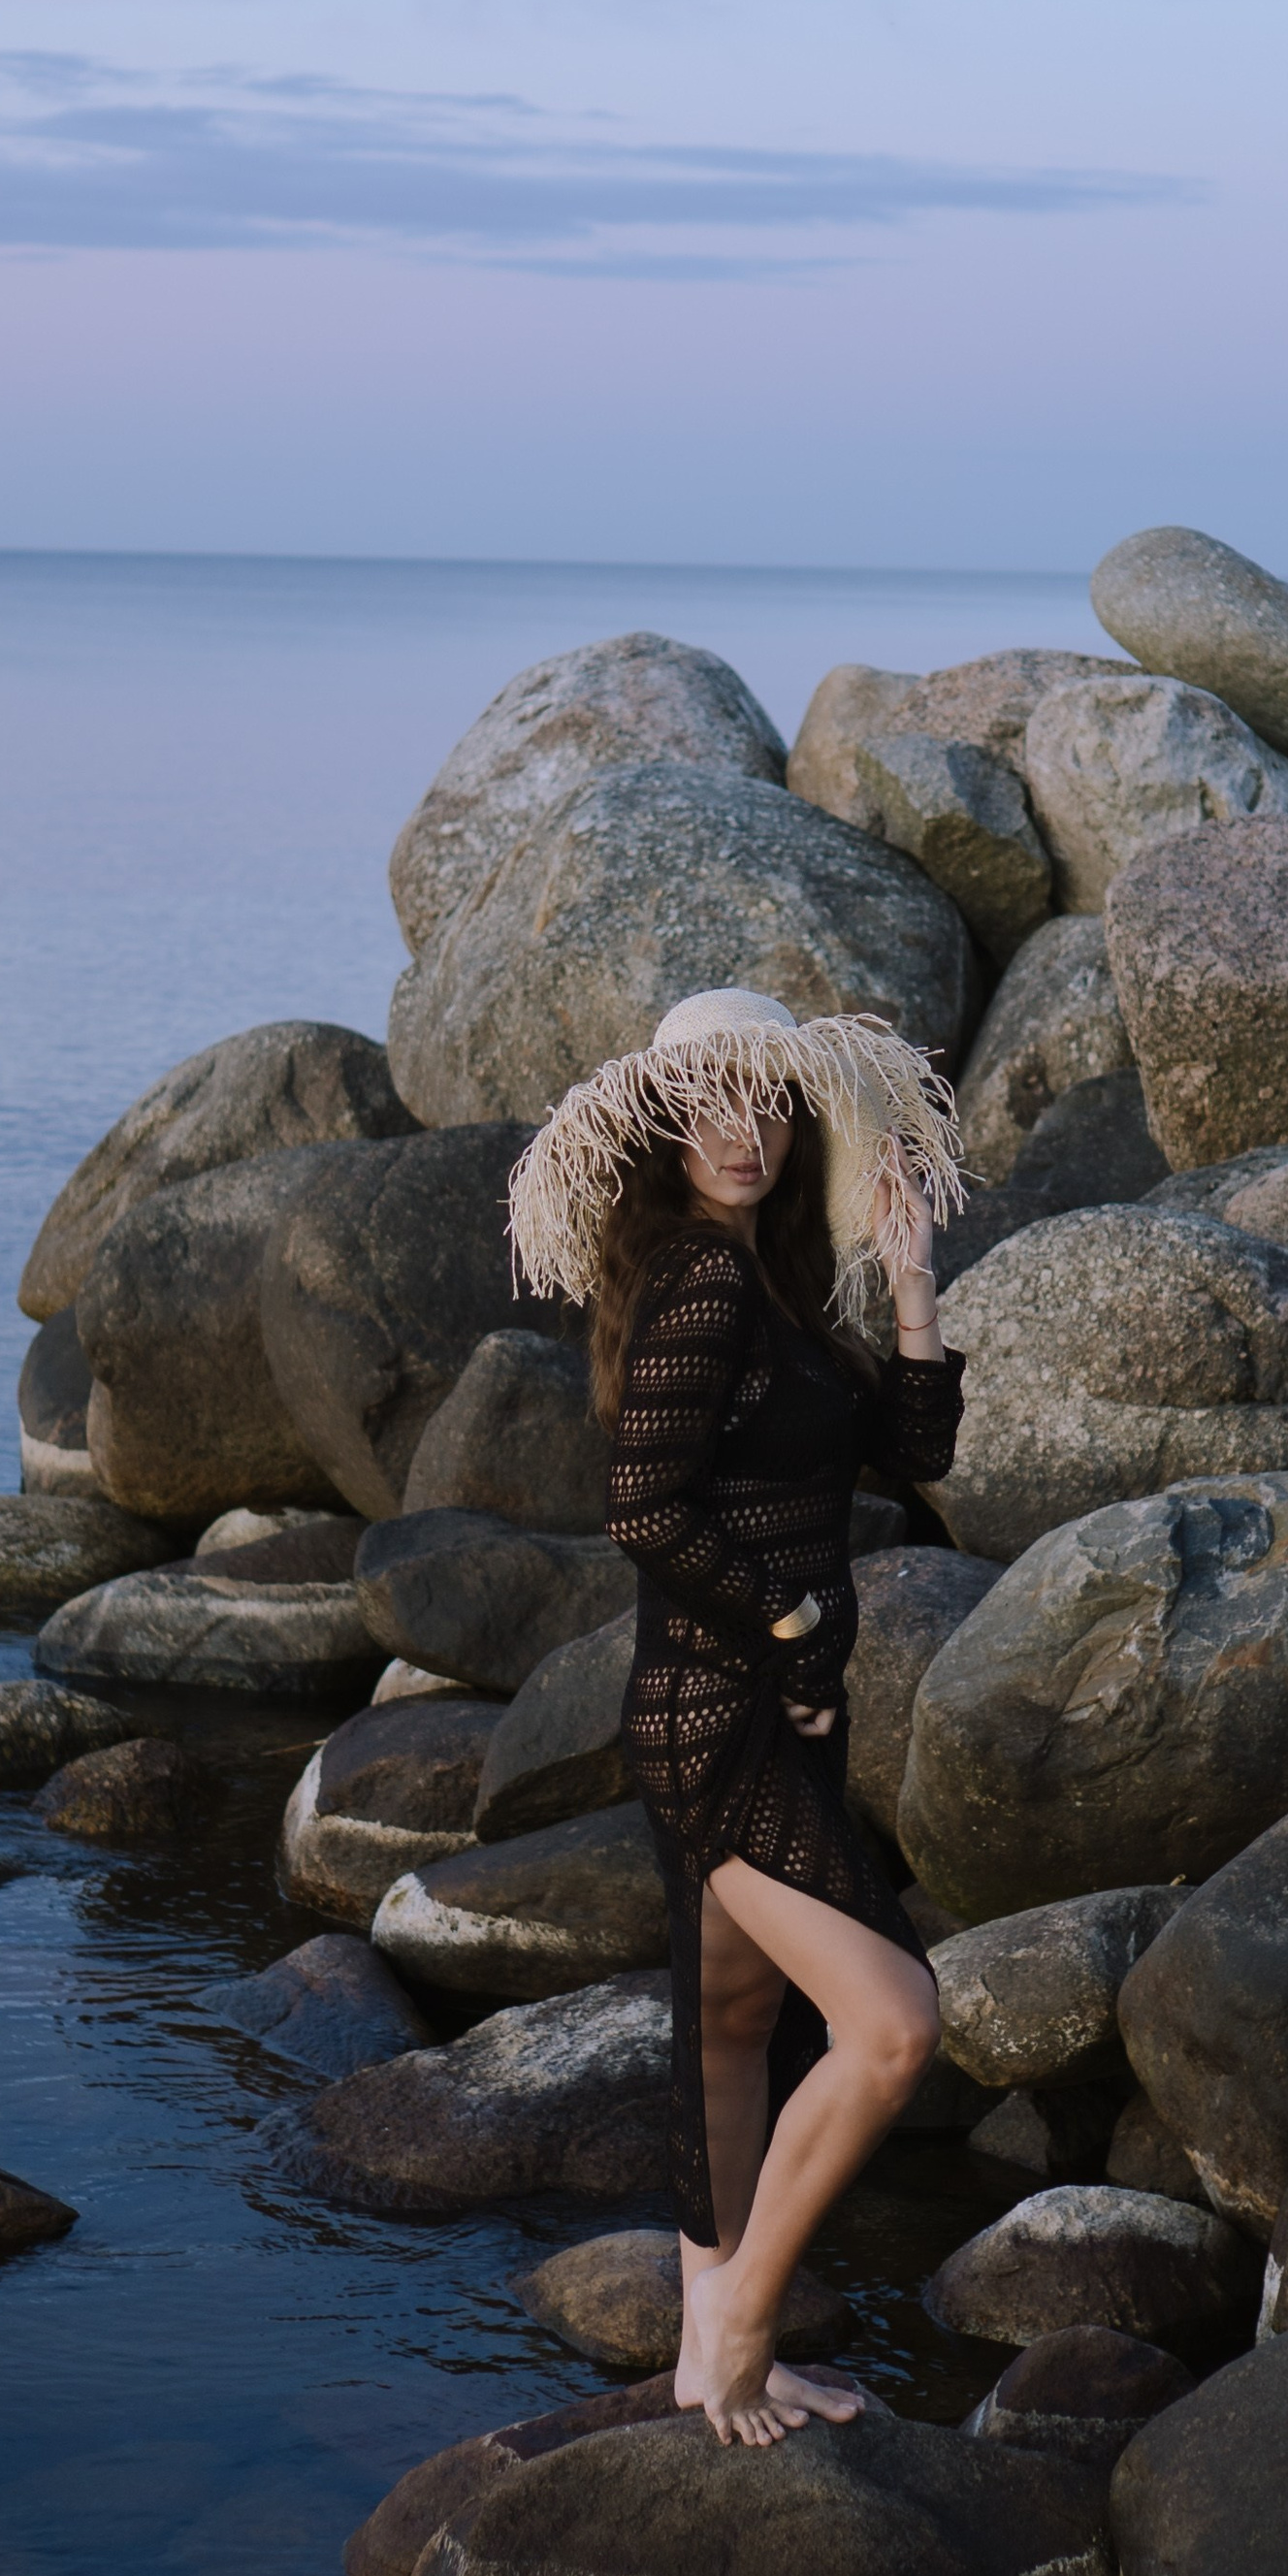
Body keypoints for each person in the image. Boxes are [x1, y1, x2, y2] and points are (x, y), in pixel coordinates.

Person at [507, 987, 967, 2446]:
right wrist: (792, 1626)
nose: (742, 1131)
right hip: (724, 1711)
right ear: (661, 1128)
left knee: (732, 2025)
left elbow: (910, 1453)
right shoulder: (705, 1288)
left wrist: (908, 1287)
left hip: (760, 1706)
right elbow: (642, 1504)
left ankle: (705, 2352)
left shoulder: (763, 1286)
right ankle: (755, 2318)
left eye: (766, 1103)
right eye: (707, 1105)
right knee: (893, 2024)